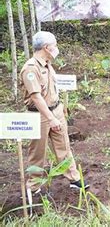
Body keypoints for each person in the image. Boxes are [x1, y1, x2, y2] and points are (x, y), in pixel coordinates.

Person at [20, 31, 89, 195]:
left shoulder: (47, 63)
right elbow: (36, 97)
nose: (56, 48)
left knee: (63, 146)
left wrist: (59, 110)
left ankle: (74, 179)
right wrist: (51, 119)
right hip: (39, 116)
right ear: (46, 47)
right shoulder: (30, 69)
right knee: (38, 152)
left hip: (55, 110)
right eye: (55, 45)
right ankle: (34, 186)